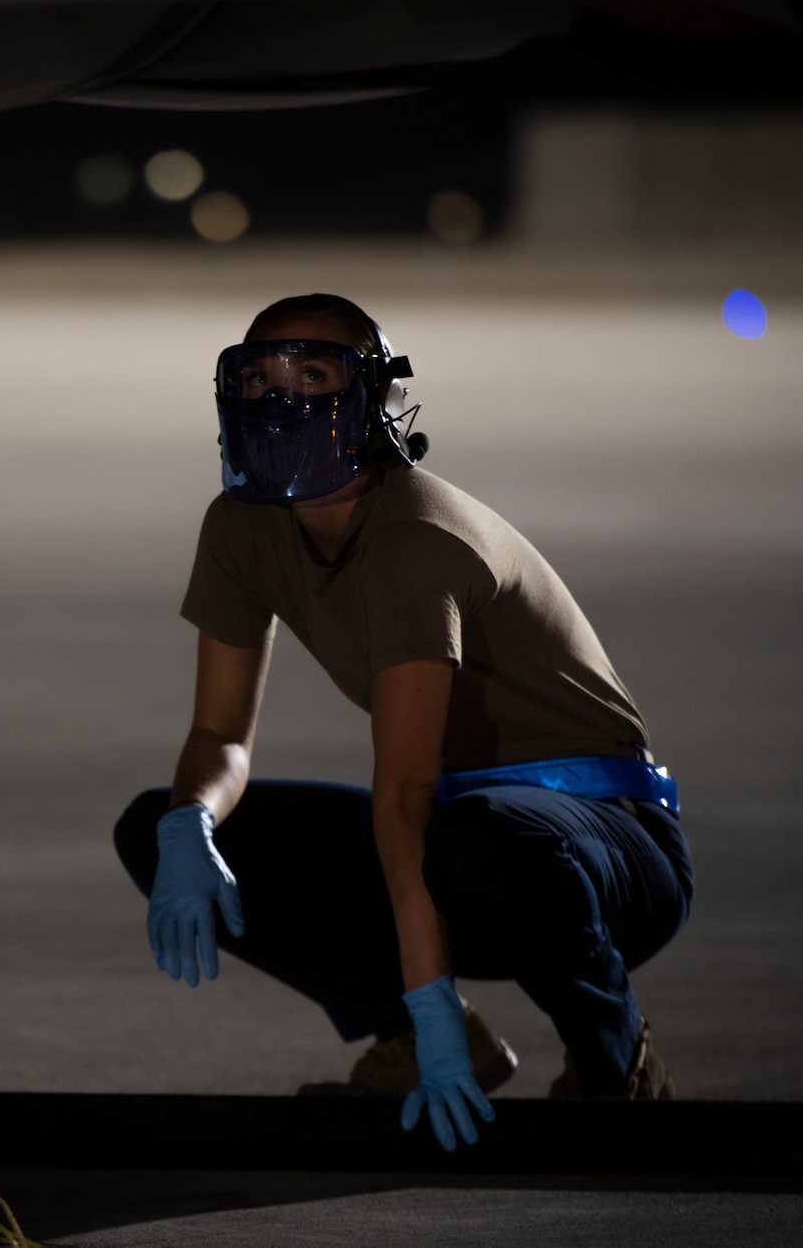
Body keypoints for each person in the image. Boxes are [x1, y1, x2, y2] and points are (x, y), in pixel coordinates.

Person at [114, 294, 693, 1151]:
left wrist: (431, 1013)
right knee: (155, 821)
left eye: (314, 375)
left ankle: (613, 1062)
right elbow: (222, 739)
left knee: (485, 835)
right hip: (459, 839)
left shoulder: (415, 539)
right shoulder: (242, 528)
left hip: (602, 848)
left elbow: (406, 797)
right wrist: (189, 826)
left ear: (374, 399)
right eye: (262, 376)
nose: (283, 399)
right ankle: (424, 1036)